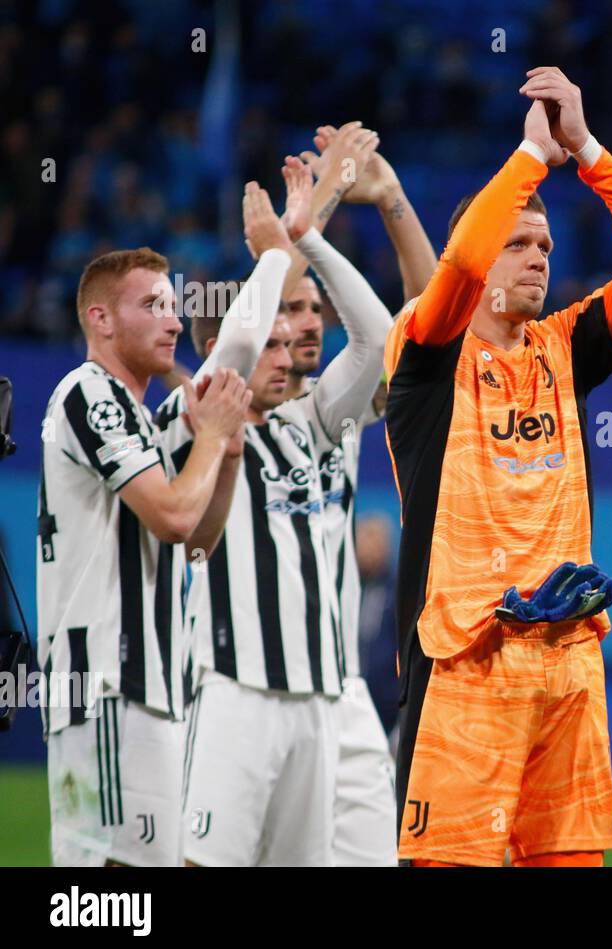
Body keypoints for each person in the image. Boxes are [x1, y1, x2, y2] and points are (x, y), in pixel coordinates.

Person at [384, 67, 612, 867]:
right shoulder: (429, 356)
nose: (538, 258)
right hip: (463, 664)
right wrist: (526, 159)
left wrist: (586, 149)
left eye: (546, 246)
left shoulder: (566, 347)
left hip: (567, 662)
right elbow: (452, 274)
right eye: (517, 245)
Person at [155, 157, 392, 866]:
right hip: (234, 691)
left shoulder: (314, 422)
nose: (287, 354)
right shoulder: (194, 416)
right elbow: (231, 349)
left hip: (321, 699)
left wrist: (307, 238)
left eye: (294, 339)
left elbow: (379, 341)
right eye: (273, 340)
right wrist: (273, 259)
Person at [38, 245, 251, 866]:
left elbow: (197, 542)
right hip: (105, 678)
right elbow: (174, 513)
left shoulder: (134, 416)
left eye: (176, 305)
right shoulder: (89, 392)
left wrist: (228, 454)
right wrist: (209, 436)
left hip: (150, 682)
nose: (176, 321)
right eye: (153, 305)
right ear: (100, 319)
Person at [280, 121, 437, 866]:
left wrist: (381, 198)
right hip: (239, 682)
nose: (311, 323)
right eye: (291, 311)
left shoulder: (333, 412)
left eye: (315, 311)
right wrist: (322, 201)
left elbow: (403, 337)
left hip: (338, 692)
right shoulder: (209, 410)